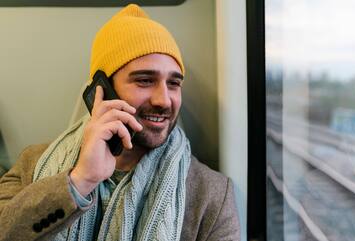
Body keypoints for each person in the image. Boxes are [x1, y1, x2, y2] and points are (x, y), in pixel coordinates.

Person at [0, 4, 240, 241]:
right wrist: (80, 180)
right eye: (145, 80)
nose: (164, 100)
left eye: (174, 83)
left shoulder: (212, 195)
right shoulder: (32, 164)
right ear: (101, 91)